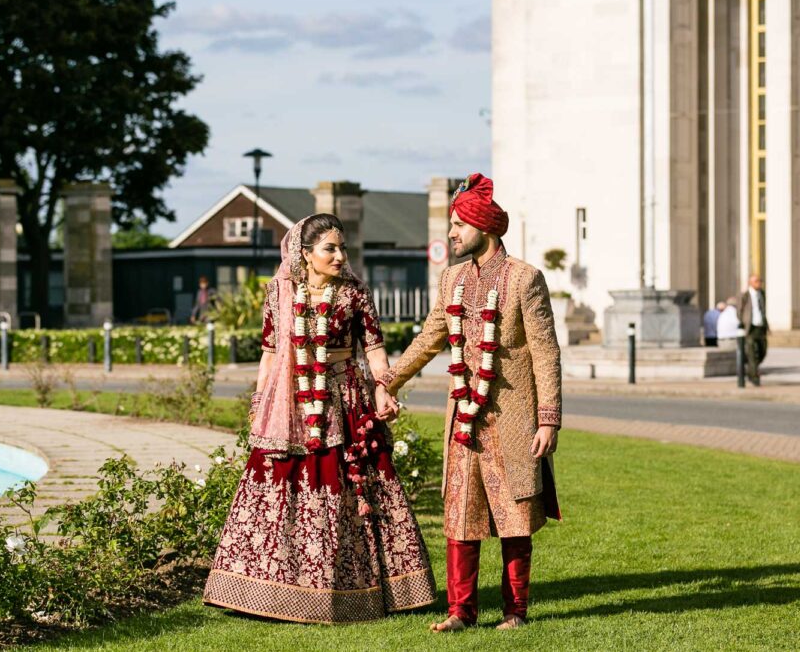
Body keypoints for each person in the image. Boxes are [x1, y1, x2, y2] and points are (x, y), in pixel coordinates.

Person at [202, 214, 435, 623]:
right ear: (305, 254)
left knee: (354, 485)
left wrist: (384, 388)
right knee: (281, 482)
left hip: (345, 399)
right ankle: (264, 590)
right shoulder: (280, 293)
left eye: (342, 248)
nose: (340, 256)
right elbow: (271, 353)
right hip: (290, 404)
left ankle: (360, 592)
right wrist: (260, 400)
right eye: (330, 249)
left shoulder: (355, 293)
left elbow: (375, 351)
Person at [378, 173, 562, 632]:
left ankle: (515, 613)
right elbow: (428, 339)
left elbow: (545, 352)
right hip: (464, 418)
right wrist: (389, 381)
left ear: (485, 227)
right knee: (461, 514)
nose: (452, 234)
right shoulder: (452, 279)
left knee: (516, 517)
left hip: (514, 419)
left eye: (459, 225)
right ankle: (460, 612)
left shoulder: (526, 279)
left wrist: (548, 419)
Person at [738, 273, 769, 385]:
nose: (759, 283)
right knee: (751, 353)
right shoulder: (745, 296)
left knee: (762, 351)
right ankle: (754, 377)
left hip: (761, 327)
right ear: (750, 283)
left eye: (760, 281)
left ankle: (752, 369)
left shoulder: (762, 294)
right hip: (750, 328)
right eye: (756, 281)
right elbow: (740, 311)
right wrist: (742, 323)